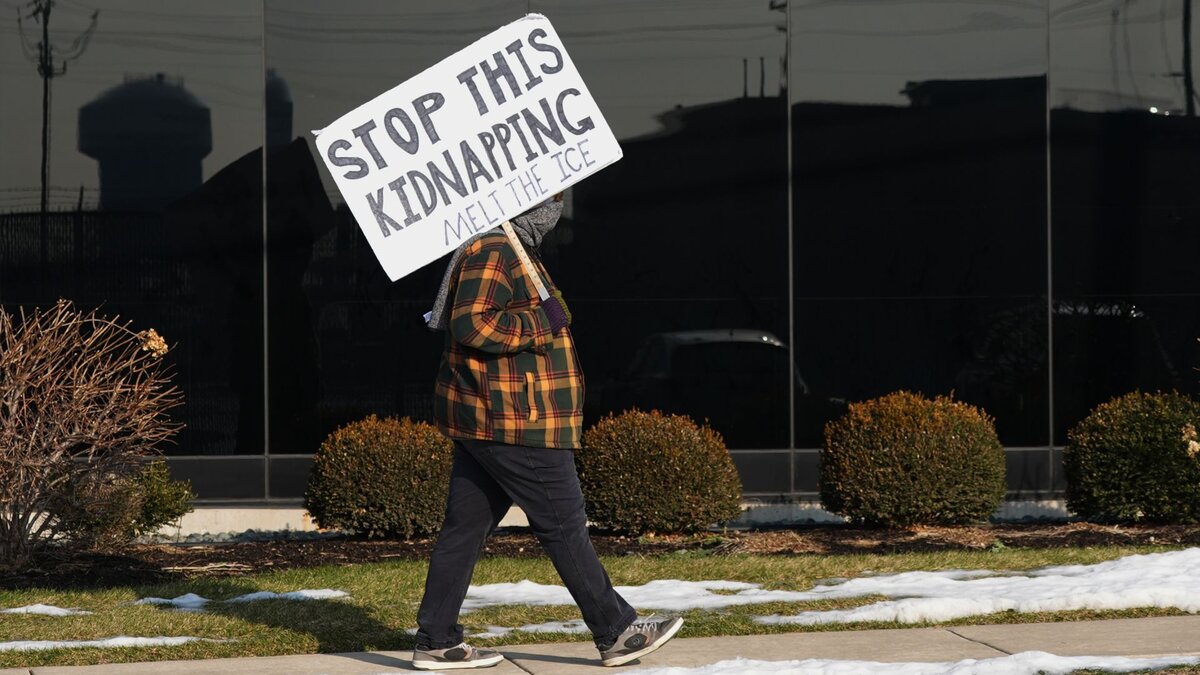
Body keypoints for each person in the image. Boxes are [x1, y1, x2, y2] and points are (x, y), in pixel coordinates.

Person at [412, 193, 683, 670]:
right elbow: (470, 323)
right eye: (551, 196)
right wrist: (541, 320)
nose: (556, 203)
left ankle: (436, 640)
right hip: (517, 420)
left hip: (498, 417)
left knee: (465, 530)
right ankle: (617, 631)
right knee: (564, 527)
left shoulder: (514, 245)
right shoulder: (494, 247)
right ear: (525, 200)